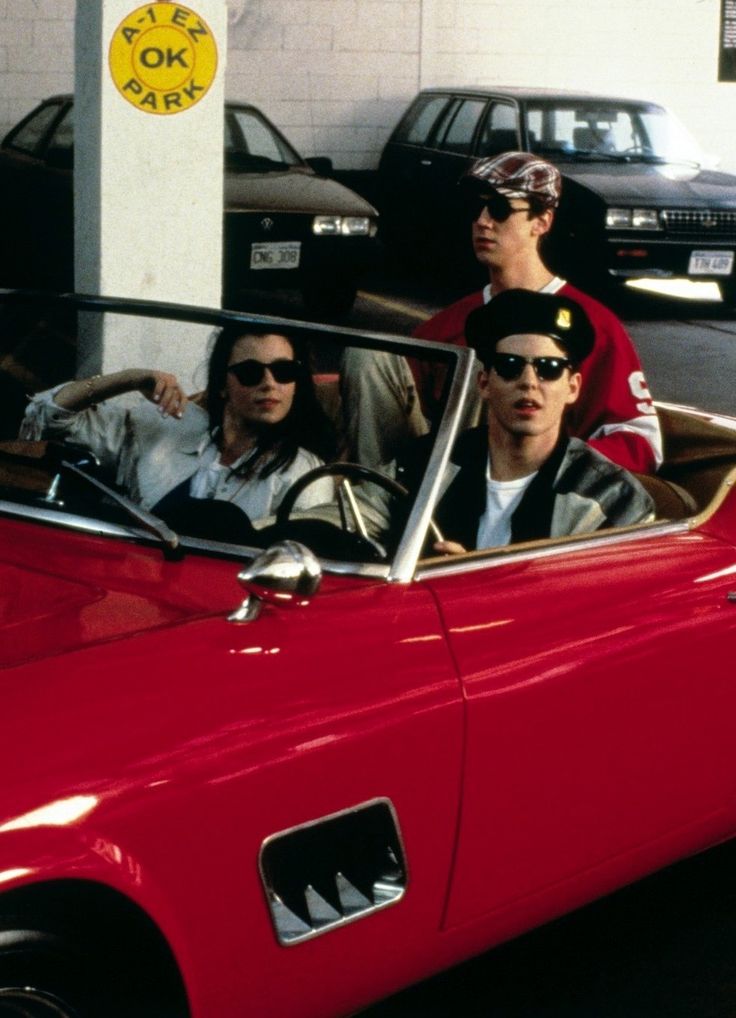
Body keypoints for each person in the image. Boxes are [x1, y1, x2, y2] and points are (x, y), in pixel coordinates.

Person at [342, 151, 662, 476]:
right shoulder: (446, 326)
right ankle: (377, 499)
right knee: (366, 355)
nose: (482, 221)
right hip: (433, 487)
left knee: (493, 366)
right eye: (475, 208)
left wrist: (551, 464)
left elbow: (641, 445)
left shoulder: (593, 324)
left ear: (542, 221)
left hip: (538, 499)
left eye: (499, 208)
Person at [20, 325, 335, 534]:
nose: (269, 384)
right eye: (250, 372)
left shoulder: (304, 475)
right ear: (222, 386)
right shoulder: (166, 427)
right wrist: (131, 378)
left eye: (283, 371)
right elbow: (46, 416)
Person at [429, 289, 654, 554]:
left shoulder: (614, 498)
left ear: (573, 388)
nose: (529, 382)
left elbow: (608, 592)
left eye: (549, 368)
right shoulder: (425, 466)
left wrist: (471, 583)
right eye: (510, 365)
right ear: (484, 383)